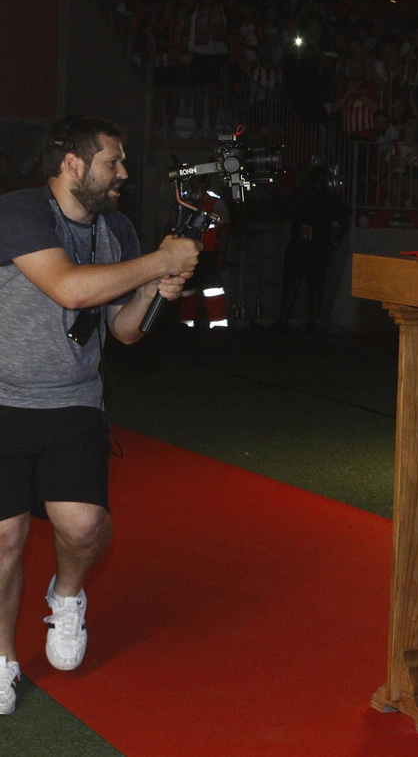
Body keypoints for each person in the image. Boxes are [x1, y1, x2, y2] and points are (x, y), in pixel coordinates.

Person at [0, 117, 200, 715]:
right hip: (3, 401)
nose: (124, 173)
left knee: (83, 525)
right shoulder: (18, 212)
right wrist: (158, 261)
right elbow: (70, 289)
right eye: (112, 161)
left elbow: (123, 330)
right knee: (4, 537)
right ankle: (2, 658)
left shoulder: (116, 229)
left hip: (74, 400)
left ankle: (67, 595)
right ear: (72, 164)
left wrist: (153, 290)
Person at [275, 167, 350, 331]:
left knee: (315, 286)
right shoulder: (300, 195)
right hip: (298, 245)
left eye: (321, 180)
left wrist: (333, 243)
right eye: (315, 179)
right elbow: (286, 211)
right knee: (291, 284)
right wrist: (303, 192)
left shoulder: (330, 199)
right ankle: (283, 321)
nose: (318, 183)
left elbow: (344, 222)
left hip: (318, 247)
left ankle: (312, 323)